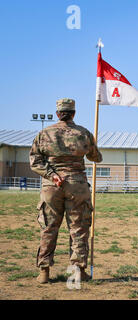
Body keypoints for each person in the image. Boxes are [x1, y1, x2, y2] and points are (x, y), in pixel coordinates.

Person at [30, 98, 103, 284]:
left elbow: (35, 162)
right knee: (78, 228)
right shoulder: (83, 133)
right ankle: (77, 271)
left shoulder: (44, 133)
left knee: (48, 228)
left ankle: (44, 271)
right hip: (77, 185)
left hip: (51, 187)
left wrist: (51, 174)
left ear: (57, 114)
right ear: (74, 113)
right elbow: (96, 157)